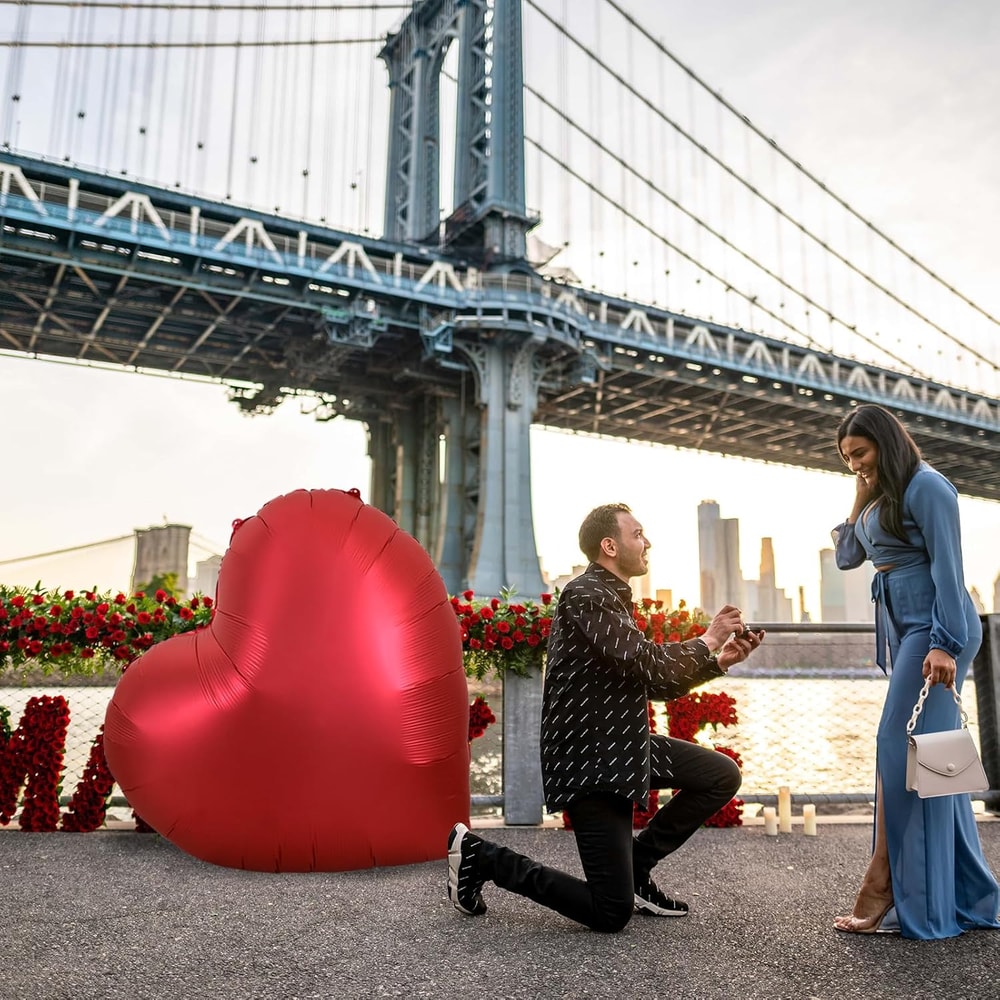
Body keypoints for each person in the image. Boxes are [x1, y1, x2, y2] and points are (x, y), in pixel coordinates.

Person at [447, 502, 764, 932]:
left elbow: (652, 683)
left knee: (720, 774)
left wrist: (719, 661)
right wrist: (708, 637)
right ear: (610, 545)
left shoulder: (611, 599)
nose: (647, 541)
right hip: (591, 761)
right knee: (609, 913)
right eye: (638, 534)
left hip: (623, 746)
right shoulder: (586, 595)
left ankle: (636, 867)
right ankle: (482, 858)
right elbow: (649, 663)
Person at [831, 403, 1000, 939]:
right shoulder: (880, 492)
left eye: (860, 452)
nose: (854, 463)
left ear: (886, 441)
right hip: (909, 630)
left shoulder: (929, 488)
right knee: (936, 764)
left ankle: (883, 882)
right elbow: (846, 559)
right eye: (846, 458)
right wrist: (860, 489)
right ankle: (970, 894)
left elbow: (950, 567)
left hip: (936, 628)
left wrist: (947, 643)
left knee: (897, 746)